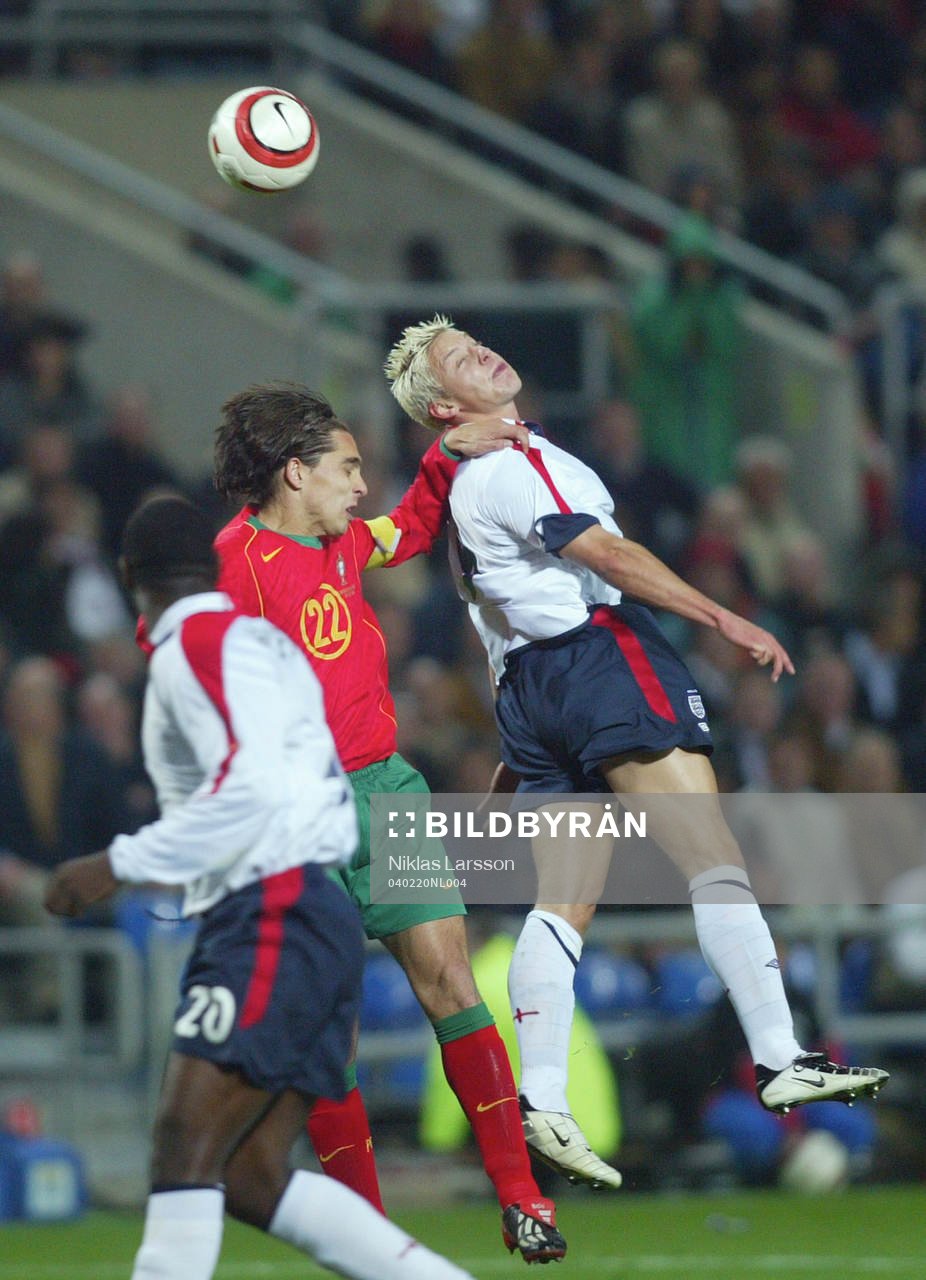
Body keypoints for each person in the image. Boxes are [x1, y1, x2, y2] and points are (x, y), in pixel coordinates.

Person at [383, 315, 890, 1178]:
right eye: (462, 359)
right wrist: (724, 616)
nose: (487, 352)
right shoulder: (509, 468)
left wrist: (521, 750)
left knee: (563, 903)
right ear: (442, 404)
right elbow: (608, 555)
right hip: (600, 658)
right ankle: (778, 1056)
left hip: (534, 693)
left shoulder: (471, 475)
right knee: (711, 855)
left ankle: (541, 1097)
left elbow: (506, 618)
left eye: (476, 341)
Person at [43, 494, 478, 1280]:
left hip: (271, 912)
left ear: (127, 575)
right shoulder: (261, 644)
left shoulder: (197, 646)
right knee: (249, 1177)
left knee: (183, 1144)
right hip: (306, 912)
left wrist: (117, 862)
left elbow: (251, 791)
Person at [212, 389, 569, 1257]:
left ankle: (523, 1197)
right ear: (294, 473)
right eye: (346, 468)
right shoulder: (235, 562)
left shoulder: (339, 541)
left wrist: (451, 454)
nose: (361, 486)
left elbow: (408, 528)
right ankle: (372, 1240)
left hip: (386, 791)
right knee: (331, 1029)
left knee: (451, 978)